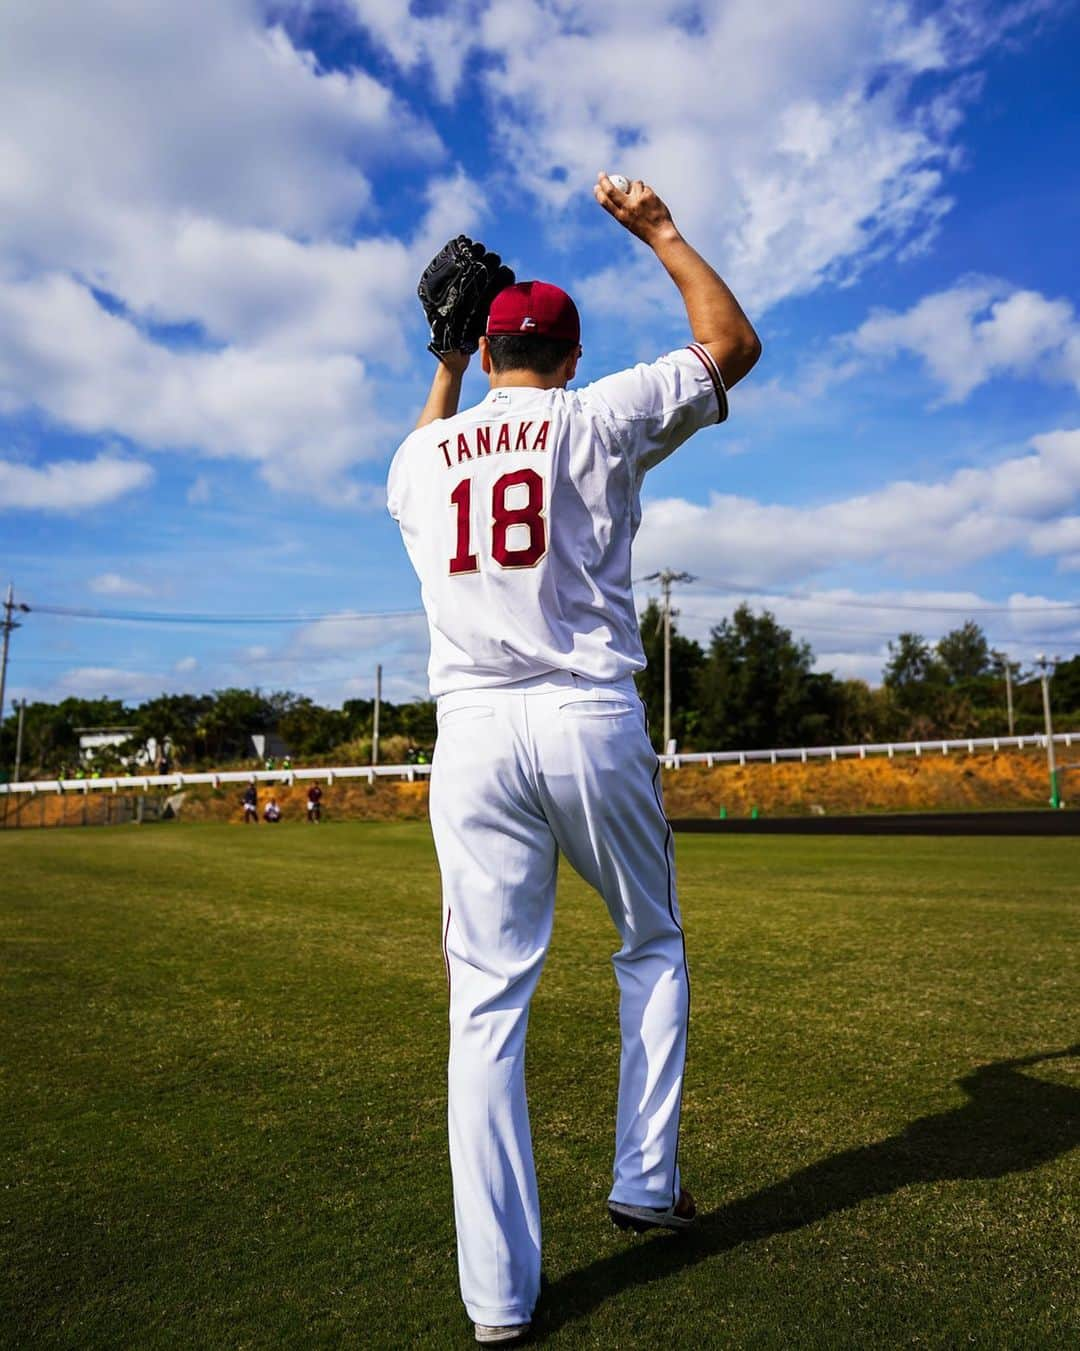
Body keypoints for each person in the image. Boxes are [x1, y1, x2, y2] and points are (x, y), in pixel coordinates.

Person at [387, 174, 760, 1343]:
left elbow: (425, 445)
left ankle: (499, 1303)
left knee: (485, 1009)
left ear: (487, 347)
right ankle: (645, 1179)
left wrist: (444, 357)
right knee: (648, 939)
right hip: (588, 717)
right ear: (572, 348)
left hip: (473, 739)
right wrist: (658, 230)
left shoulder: (419, 462)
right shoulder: (595, 415)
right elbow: (729, 343)